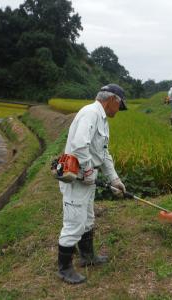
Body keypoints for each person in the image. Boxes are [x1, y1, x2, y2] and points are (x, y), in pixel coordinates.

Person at [57, 84, 127, 284]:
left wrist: (114, 178)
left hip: (88, 178)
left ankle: (87, 257)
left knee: (87, 218)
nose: (119, 110)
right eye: (120, 105)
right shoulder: (90, 113)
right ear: (112, 99)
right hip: (77, 177)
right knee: (73, 223)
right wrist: (87, 170)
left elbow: (103, 154)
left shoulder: (102, 119)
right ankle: (64, 269)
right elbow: (79, 145)